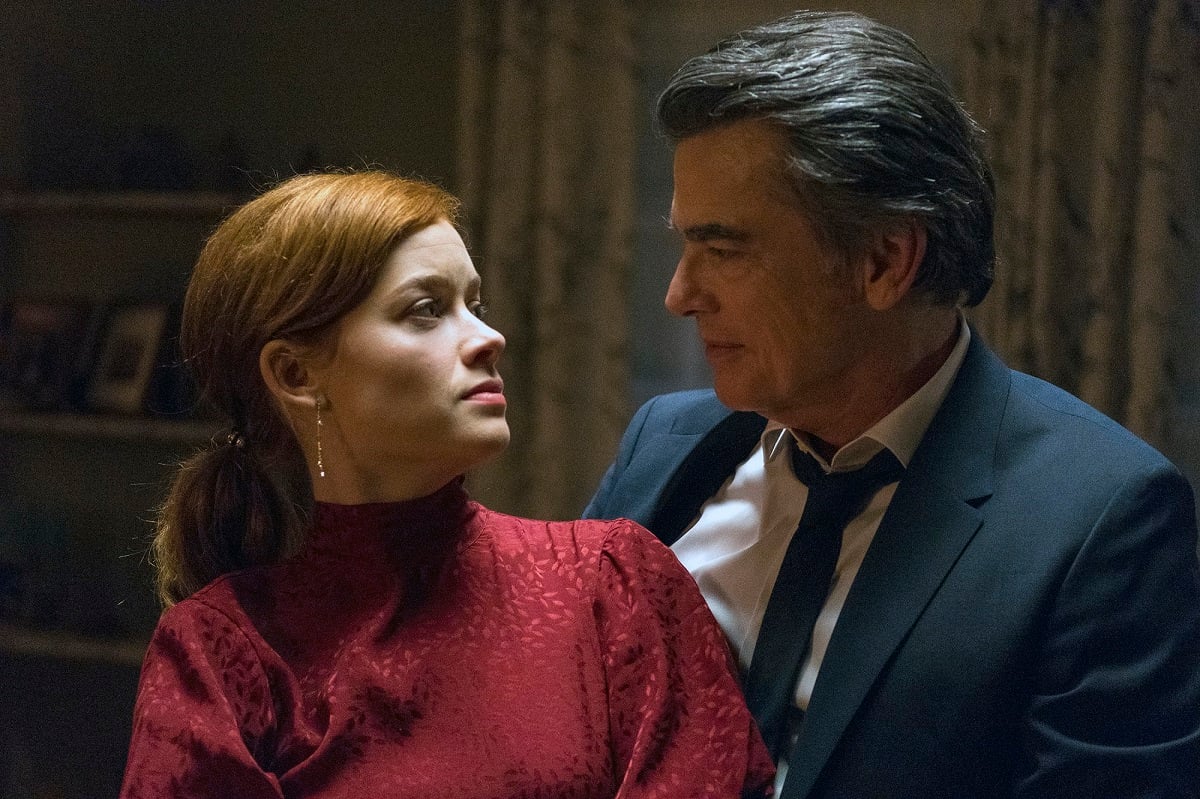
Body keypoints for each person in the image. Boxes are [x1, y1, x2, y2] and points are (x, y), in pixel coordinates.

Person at [584, 10, 1200, 799]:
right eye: (682, 245)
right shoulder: (664, 444)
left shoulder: (1101, 518)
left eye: (724, 249)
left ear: (885, 260)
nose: (679, 294)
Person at [119, 170, 774, 798]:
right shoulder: (223, 652)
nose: (490, 338)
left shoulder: (616, 582)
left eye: (475, 304)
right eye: (427, 310)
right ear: (295, 374)